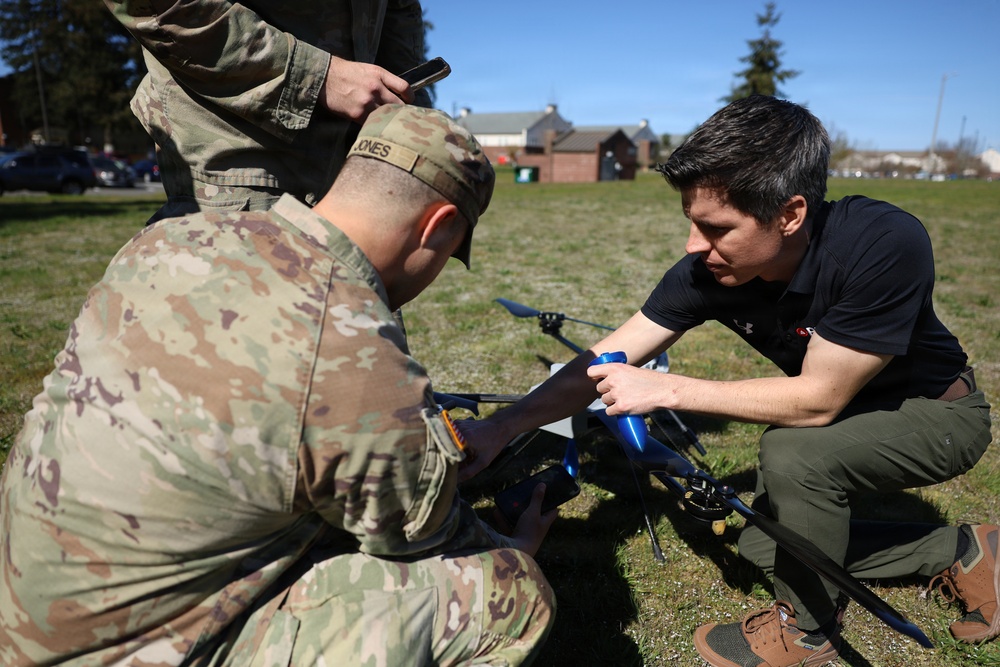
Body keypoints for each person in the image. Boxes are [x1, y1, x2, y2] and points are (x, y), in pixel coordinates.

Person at [0, 105, 557, 667]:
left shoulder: (170, 237)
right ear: (436, 228)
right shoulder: (351, 343)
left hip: (21, 611)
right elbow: (419, 532)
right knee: (513, 594)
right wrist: (515, 545)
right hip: (121, 651)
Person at [458, 95, 996, 666]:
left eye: (716, 228)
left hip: (938, 415)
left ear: (789, 215)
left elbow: (817, 401)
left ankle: (810, 634)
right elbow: (603, 359)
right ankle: (960, 549)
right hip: (848, 418)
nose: (694, 246)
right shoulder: (709, 271)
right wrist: (503, 426)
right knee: (762, 539)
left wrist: (667, 389)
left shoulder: (881, 242)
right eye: (691, 223)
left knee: (792, 453)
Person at [103, 0, 433, 223]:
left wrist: (415, 129)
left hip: (355, 175)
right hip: (238, 163)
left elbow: (398, 12)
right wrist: (314, 77)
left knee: (357, 323)